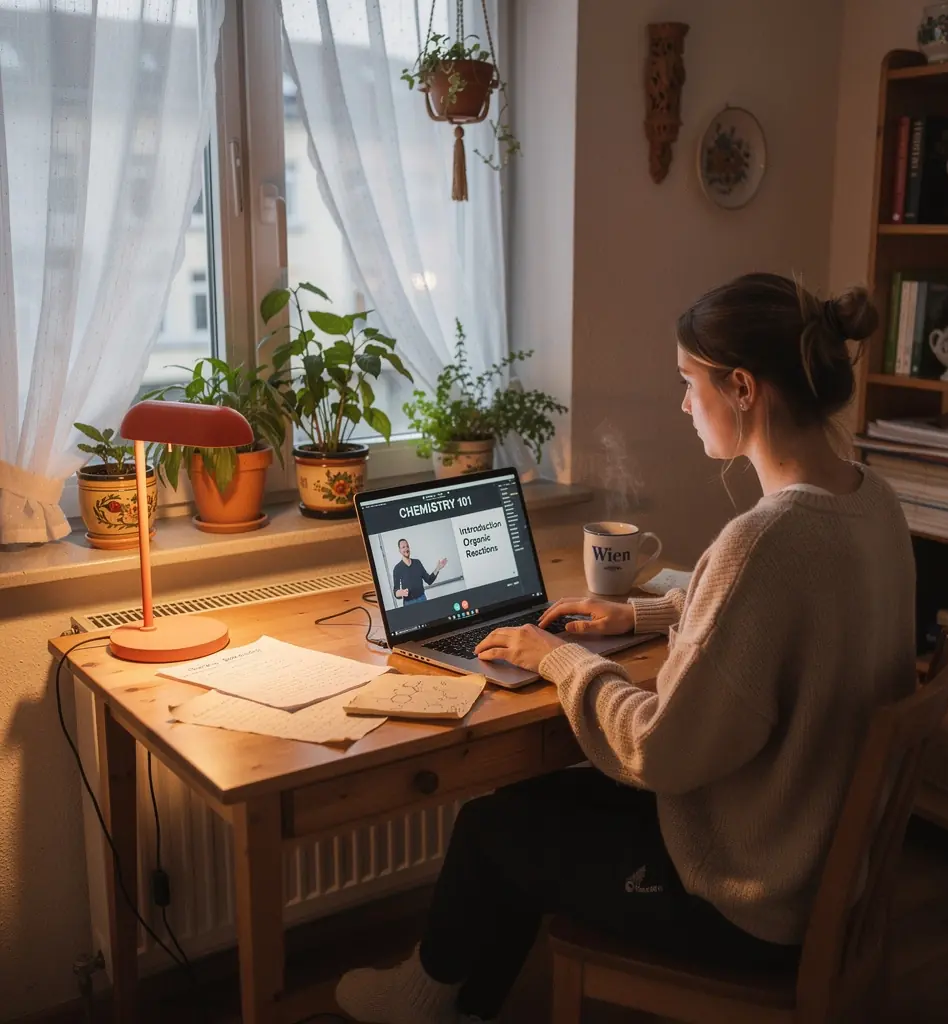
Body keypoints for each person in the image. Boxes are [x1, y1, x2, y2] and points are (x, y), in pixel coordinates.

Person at [335, 273, 917, 1024]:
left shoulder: (763, 541)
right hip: (807, 856)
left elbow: (658, 752)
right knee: (518, 814)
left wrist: (557, 658)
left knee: (494, 828)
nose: (683, 405)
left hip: (747, 897)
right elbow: (789, 618)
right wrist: (641, 614)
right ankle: (463, 1007)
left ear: (742, 388)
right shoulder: (872, 500)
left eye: (688, 382)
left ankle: (425, 1001)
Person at [392, 538, 447, 606]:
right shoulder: (397, 568)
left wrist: (438, 568)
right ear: (400, 550)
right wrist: (399, 593)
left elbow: (429, 580)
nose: (406, 549)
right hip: (409, 603)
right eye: (403, 547)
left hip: (422, 599)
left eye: (407, 546)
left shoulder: (417, 563)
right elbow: (395, 591)